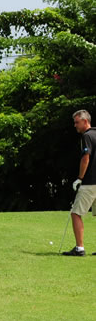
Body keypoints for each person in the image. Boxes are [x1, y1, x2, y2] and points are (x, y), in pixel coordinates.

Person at [64, 109, 96, 256]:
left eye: (77, 122)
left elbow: (85, 158)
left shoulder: (87, 136)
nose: (75, 125)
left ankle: (80, 248)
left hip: (90, 182)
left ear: (85, 121)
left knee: (76, 213)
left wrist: (80, 178)